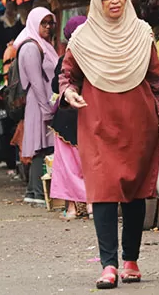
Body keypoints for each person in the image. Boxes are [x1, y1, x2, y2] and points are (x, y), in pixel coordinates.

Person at [60, 0, 159, 290]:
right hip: (97, 124)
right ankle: (108, 265)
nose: (115, 0)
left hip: (138, 124)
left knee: (134, 194)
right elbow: (67, 77)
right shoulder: (81, 39)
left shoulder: (142, 33)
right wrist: (68, 93)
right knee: (104, 193)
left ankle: (131, 260)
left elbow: (156, 80)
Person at [15, 7, 59, 205]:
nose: (48, 27)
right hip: (39, 102)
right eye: (44, 23)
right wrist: (46, 109)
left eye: (51, 23)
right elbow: (36, 82)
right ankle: (37, 192)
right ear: (34, 23)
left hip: (44, 102)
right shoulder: (31, 47)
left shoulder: (43, 45)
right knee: (41, 147)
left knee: (44, 146)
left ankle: (35, 192)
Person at [49, 16, 90, 219]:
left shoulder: (65, 59)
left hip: (66, 119)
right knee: (89, 163)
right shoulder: (96, 56)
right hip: (89, 116)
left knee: (67, 165)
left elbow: (55, 86)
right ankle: (91, 206)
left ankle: (72, 208)